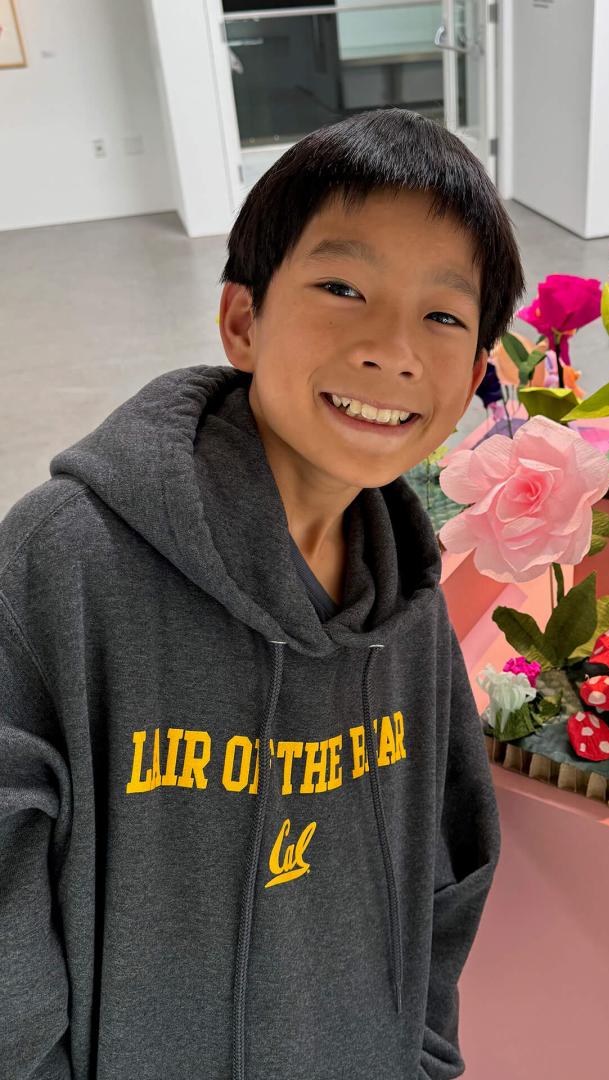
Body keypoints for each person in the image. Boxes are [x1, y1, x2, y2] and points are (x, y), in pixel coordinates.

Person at [0, 107, 525, 1079]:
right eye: (342, 286)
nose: (392, 347)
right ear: (243, 319)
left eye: (443, 315)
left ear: (474, 379)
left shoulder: (408, 600)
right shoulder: (63, 561)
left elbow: (451, 864)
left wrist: (424, 1057)